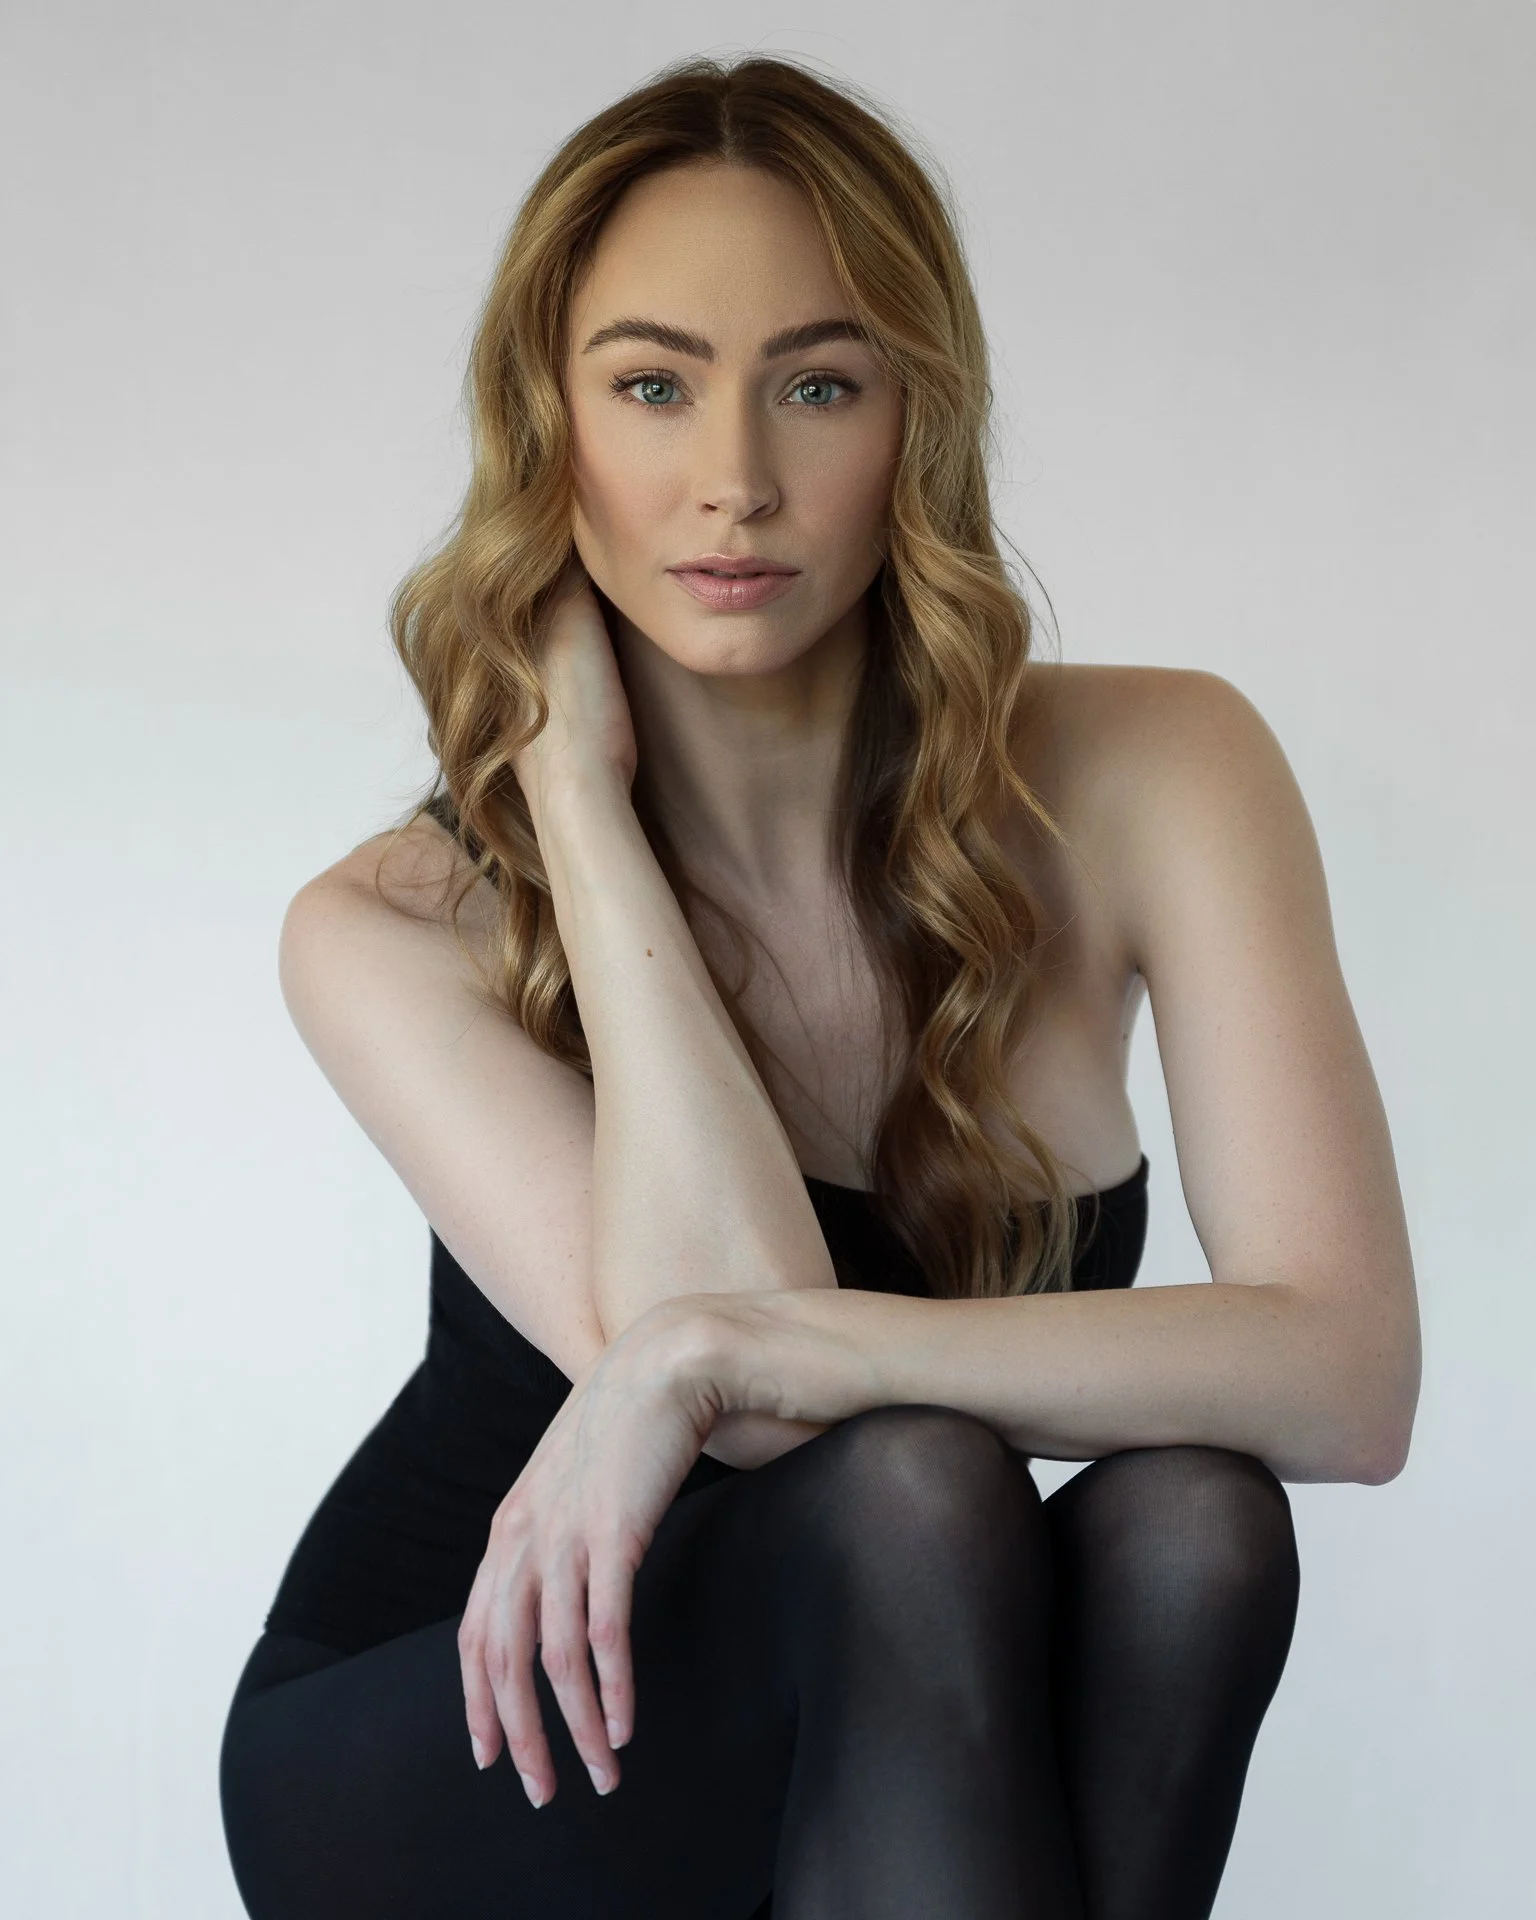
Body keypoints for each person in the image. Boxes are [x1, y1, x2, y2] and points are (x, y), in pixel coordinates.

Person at [217, 51, 1420, 1920]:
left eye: (818, 384)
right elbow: (785, 1427)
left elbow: (1345, 1381)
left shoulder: (1164, 773)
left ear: (913, 426)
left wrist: (709, 1355)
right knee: (909, 1490)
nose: (737, 482)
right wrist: (580, 812)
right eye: (650, 386)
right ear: (555, 440)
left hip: (893, 1669)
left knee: (1198, 1523)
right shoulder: (389, 929)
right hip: (484, 1721)